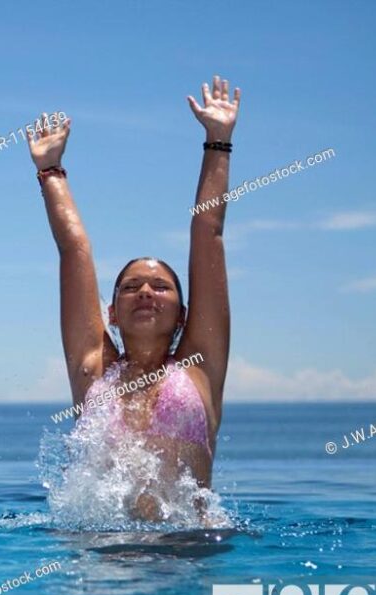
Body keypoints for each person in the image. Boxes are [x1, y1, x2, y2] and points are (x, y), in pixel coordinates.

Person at [29, 75, 239, 523]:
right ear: (113, 313)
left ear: (183, 315)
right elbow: (74, 250)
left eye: (160, 286)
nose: (145, 291)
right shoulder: (94, 367)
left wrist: (218, 140)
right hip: (106, 557)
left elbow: (208, 232)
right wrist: (51, 172)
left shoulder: (200, 367)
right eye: (131, 287)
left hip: (188, 551)